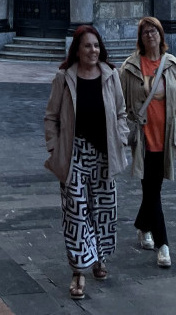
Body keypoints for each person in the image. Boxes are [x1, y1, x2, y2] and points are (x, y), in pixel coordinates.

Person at [44, 25, 128, 301]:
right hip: (74, 154)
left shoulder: (111, 75)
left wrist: (121, 136)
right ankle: (79, 270)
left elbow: (121, 112)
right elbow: (51, 116)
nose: (93, 51)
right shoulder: (64, 78)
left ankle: (100, 257)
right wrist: (54, 148)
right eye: (87, 46)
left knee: (103, 209)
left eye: (96, 46)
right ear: (77, 50)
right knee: (77, 213)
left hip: (104, 154)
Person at [119, 17, 176, 270]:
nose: (150, 35)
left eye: (154, 31)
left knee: (153, 189)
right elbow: (119, 104)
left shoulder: (174, 66)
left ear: (161, 35)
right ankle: (163, 245)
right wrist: (118, 133)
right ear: (140, 38)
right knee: (152, 190)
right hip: (142, 137)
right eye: (145, 32)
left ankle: (143, 227)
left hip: (167, 135)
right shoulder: (130, 67)